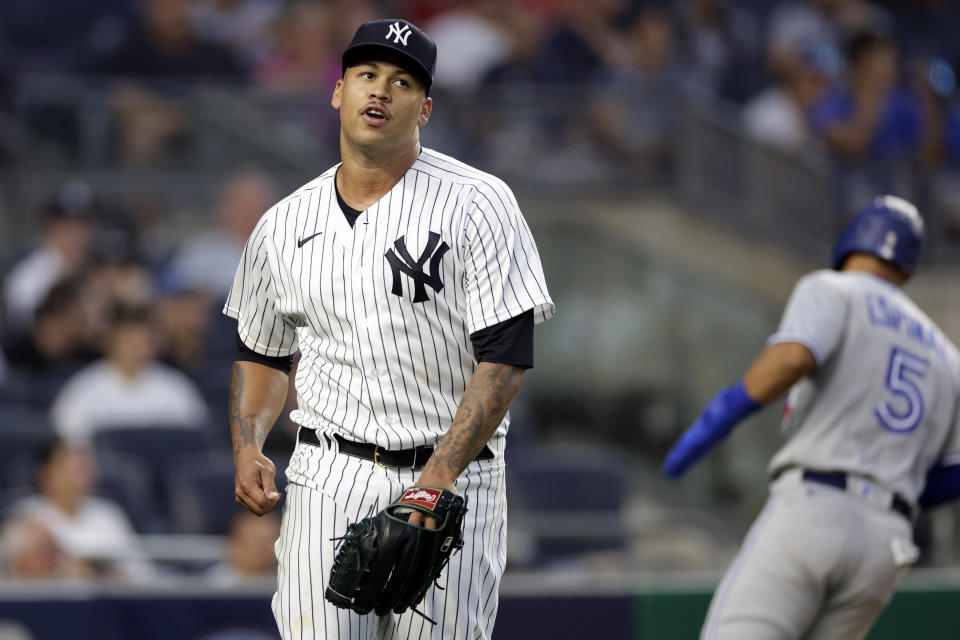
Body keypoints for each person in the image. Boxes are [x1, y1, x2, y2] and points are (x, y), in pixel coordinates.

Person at [223, 17, 554, 640]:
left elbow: (505, 360)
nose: (379, 91)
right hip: (329, 473)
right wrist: (248, 446)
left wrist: (434, 483)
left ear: (424, 107)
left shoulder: (479, 202)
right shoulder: (282, 224)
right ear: (337, 91)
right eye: (366, 75)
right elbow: (261, 353)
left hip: (454, 476)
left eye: (401, 82)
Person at [662, 195, 960, 639]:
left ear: (852, 239)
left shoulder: (832, 288)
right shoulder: (949, 357)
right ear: (909, 267)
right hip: (886, 545)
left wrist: (719, 417)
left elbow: (793, 357)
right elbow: (954, 476)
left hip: (817, 510)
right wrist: (896, 490)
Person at [50, 304, 208, 443]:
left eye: (143, 339)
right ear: (110, 340)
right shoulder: (82, 391)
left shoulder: (176, 388)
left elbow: (195, 438)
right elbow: (68, 444)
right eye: (128, 339)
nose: (136, 347)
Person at [9, 439, 153, 582]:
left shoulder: (108, 513)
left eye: (83, 467)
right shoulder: (27, 515)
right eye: (69, 467)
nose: (79, 475)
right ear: (45, 472)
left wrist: (98, 572)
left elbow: (139, 573)